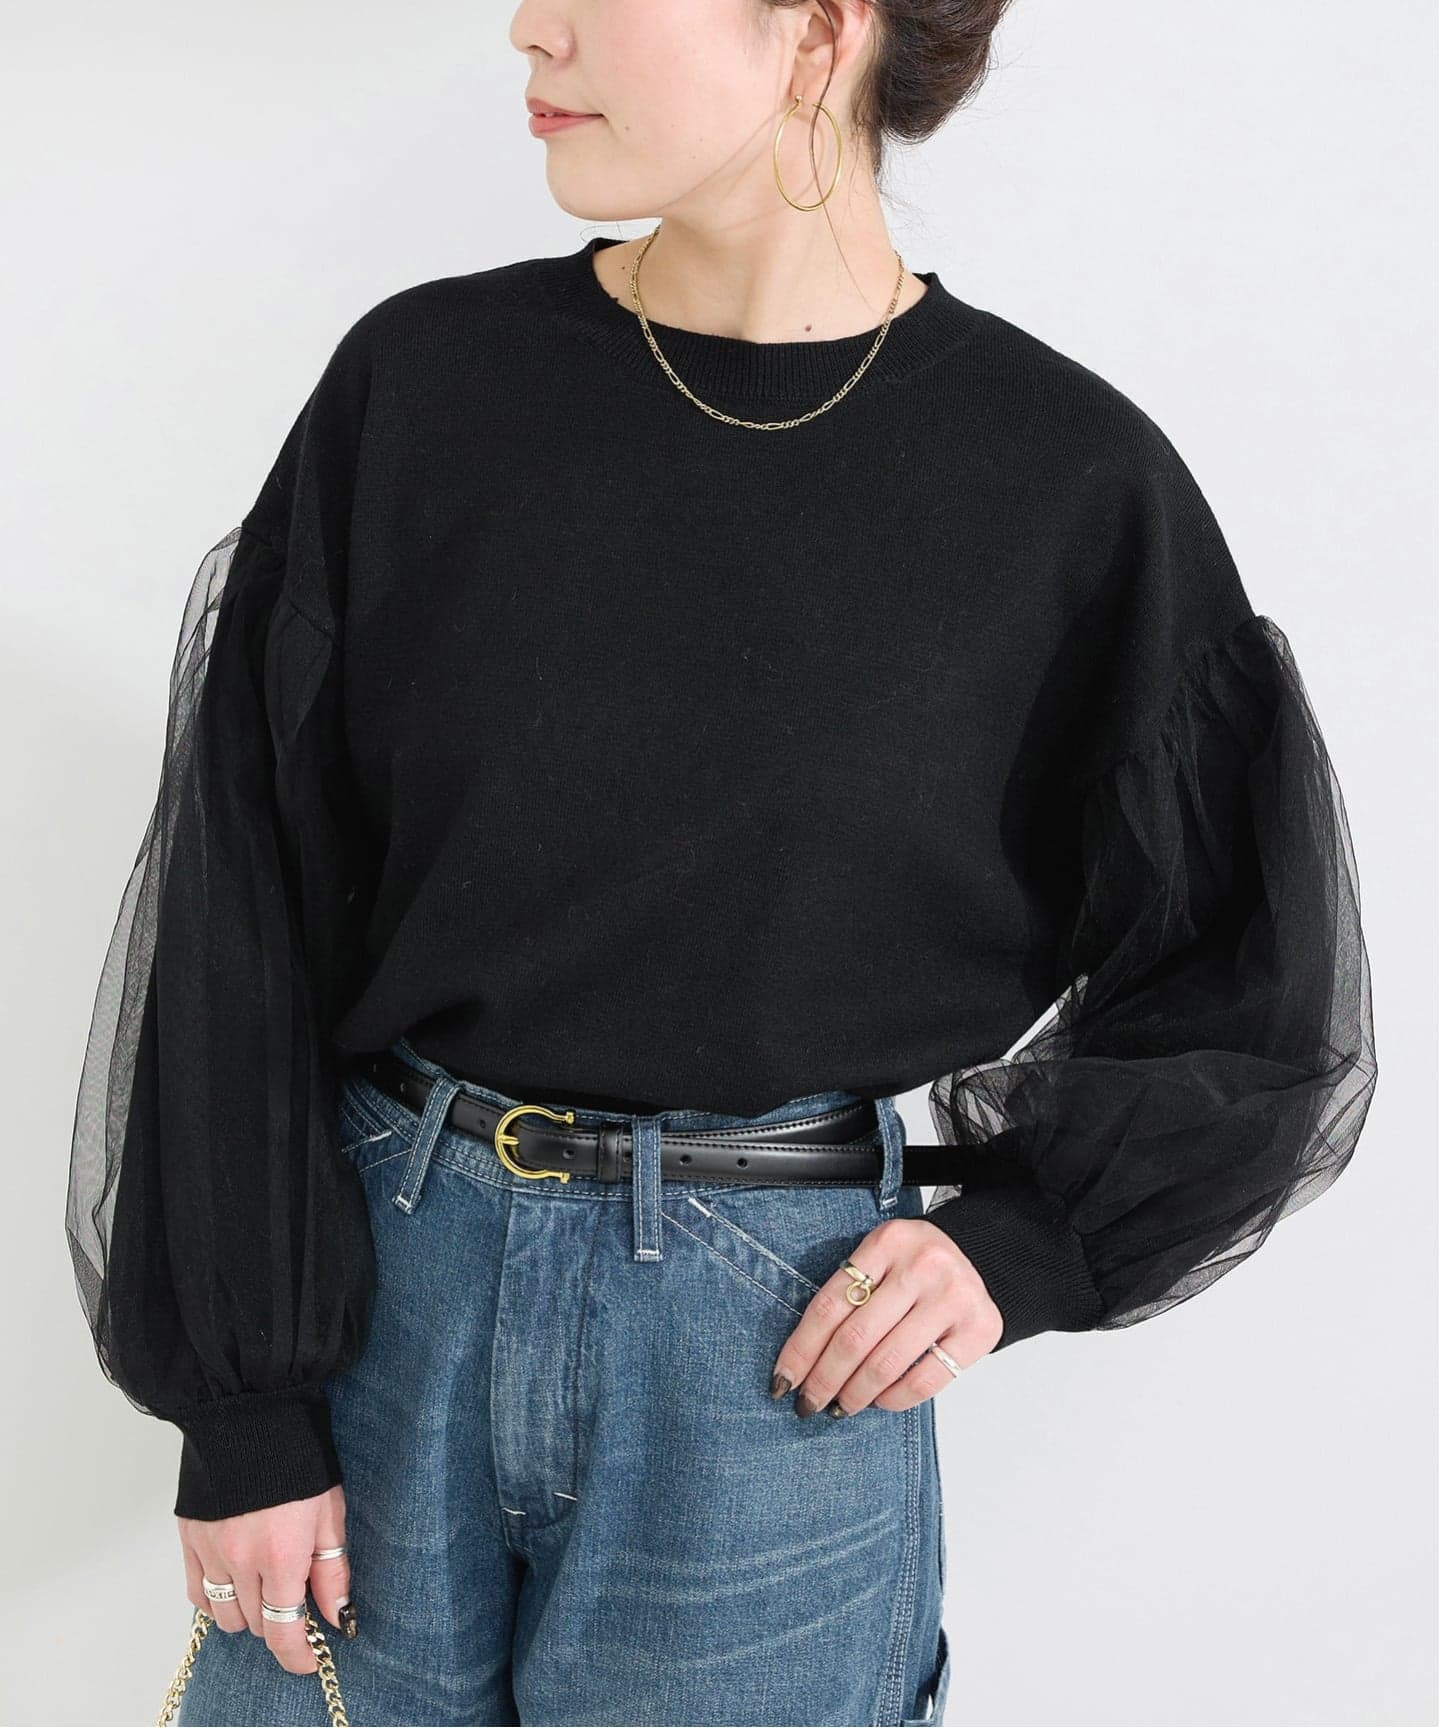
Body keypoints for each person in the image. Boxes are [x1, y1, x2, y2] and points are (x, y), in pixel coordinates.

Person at [64, 1, 1378, 1723]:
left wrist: (1030, 1246)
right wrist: (244, 1408)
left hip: (773, 1365)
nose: (530, 27)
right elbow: (245, 897)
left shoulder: (1067, 485)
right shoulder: (426, 388)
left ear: (818, 28)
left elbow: (1249, 979)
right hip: (383, 1305)